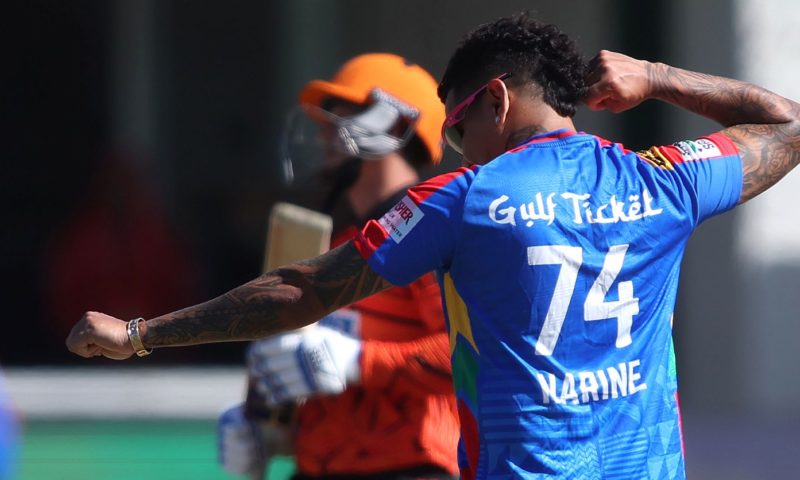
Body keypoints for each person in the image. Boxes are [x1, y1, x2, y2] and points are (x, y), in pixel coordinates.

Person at [66, 12, 800, 480]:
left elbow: (305, 291)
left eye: (457, 128)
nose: (456, 148)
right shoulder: (658, 179)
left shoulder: (464, 199)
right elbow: (787, 126)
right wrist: (658, 78)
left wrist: (141, 335)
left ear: (498, 101)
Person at [220, 53, 462, 479]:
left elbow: (465, 354)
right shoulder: (336, 240)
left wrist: (356, 361)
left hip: (410, 466)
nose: (323, 132)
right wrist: (269, 430)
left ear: (390, 126)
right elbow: (310, 367)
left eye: (340, 116)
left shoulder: (428, 236)